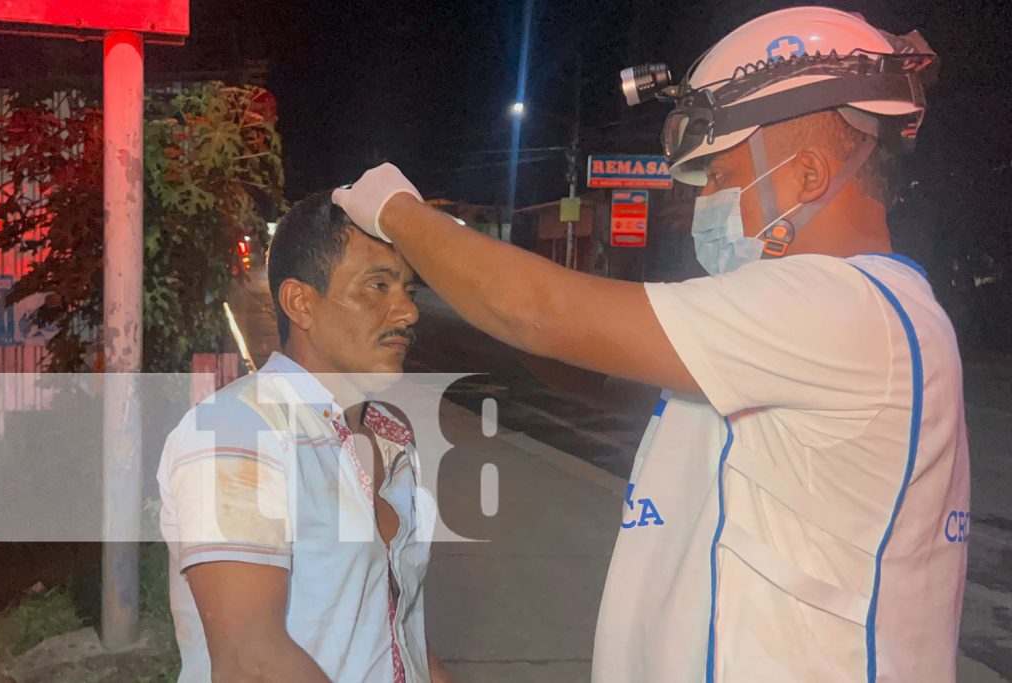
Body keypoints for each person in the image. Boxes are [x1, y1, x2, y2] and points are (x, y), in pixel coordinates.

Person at [332, 7, 968, 682]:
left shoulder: (842, 308)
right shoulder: (818, 321)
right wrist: (502, 319)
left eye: (720, 177)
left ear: (808, 176)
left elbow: (538, 310)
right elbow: (598, 372)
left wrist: (397, 212)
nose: (704, 204)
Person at [157, 191, 453, 682]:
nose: (407, 313)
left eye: (408, 291)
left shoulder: (394, 439)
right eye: (378, 286)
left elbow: (399, 636)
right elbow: (251, 661)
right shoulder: (239, 430)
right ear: (301, 303)